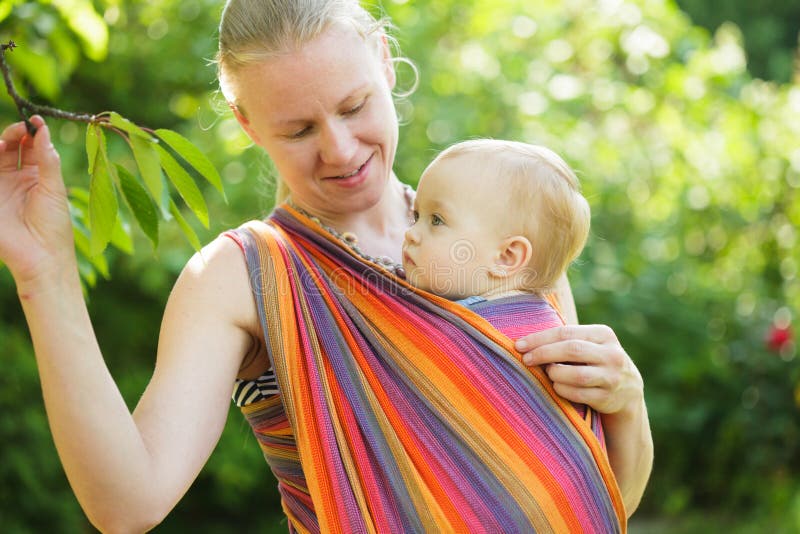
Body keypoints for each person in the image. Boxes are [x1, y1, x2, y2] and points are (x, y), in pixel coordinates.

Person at [0, 1, 652, 532]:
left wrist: (627, 404)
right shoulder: (242, 276)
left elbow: (600, 497)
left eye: (352, 106)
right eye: (298, 129)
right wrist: (44, 273)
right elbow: (127, 505)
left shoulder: (500, 239)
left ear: (387, 65)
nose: (340, 150)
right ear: (247, 123)